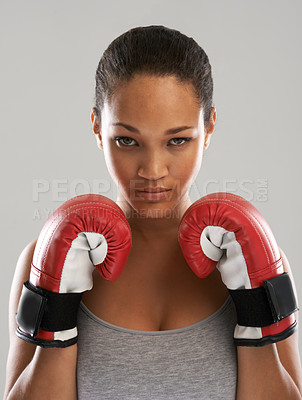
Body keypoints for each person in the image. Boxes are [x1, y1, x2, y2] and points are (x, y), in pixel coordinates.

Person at [4, 25, 302, 400]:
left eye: (178, 140)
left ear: (208, 127)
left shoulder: (257, 256)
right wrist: (56, 322)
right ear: (97, 128)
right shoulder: (43, 258)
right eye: (127, 140)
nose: (153, 169)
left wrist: (256, 320)